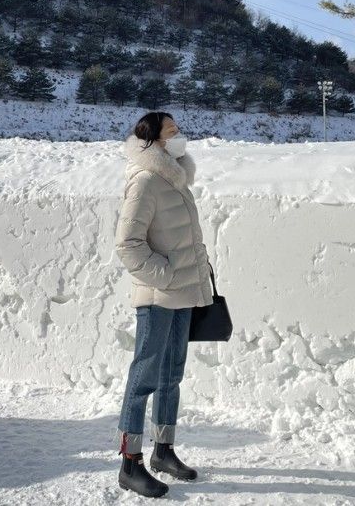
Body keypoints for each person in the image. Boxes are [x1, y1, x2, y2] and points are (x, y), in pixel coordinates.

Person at [114, 111, 214, 498]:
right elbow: (128, 244)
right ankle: (130, 462)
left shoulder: (174, 178)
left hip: (184, 293)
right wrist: (166, 275)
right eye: (172, 132)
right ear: (153, 139)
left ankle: (163, 450)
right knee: (144, 379)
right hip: (158, 296)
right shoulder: (144, 181)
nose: (179, 137)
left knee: (172, 375)